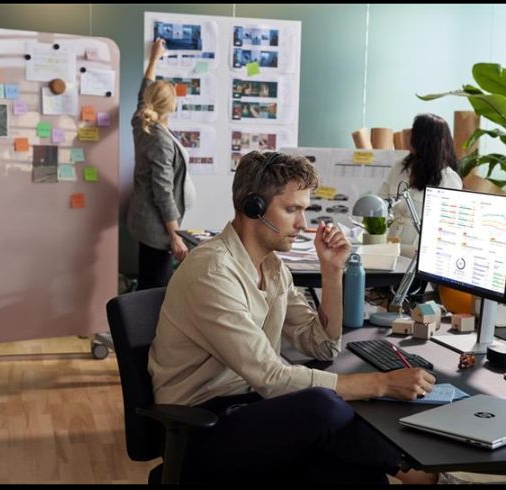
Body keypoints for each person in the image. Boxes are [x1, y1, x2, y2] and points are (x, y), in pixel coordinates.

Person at [148, 151, 437, 483]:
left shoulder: (272, 268)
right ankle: (415, 474)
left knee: (358, 470)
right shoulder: (212, 273)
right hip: (197, 428)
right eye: (291, 210)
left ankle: (413, 473)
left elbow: (322, 346)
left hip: (248, 407)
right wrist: (382, 383)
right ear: (253, 207)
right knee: (323, 406)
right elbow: (272, 377)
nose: (302, 223)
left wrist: (332, 272)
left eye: (304, 210)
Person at [127, 38, 196, 290]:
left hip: (145, 221)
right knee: (155, 289)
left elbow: (143, 91)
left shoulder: (141, 120)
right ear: (172, 106)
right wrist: (175, 235)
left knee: (149, 281)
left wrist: (154, 58)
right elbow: (163, 191)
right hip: (156, 229)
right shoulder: (159, 139)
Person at [378, 113, 462, 256]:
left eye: (414, 131)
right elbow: (380, 202)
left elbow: (447, 231)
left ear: (424, 139)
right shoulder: (400, 167)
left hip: (419, 255)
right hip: (390, 248)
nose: (408, 135)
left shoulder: (449, 179)